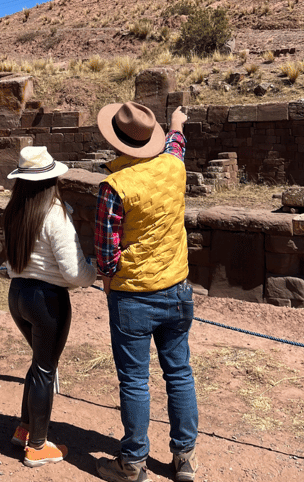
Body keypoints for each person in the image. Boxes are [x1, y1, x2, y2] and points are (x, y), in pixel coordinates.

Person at [94, 102, 198, 482]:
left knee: (135, 380)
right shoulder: (173, 167)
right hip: (176, 288)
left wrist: (108, 281)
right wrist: (176, 123)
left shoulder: (115, 186)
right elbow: (177, 144)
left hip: (133, 295)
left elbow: (106, 252)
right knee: (179, 373)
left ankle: (134, 462)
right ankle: (184, 456)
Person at [3, 146, 97, 468]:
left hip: (18, 294)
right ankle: (38, 446)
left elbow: (10, 263)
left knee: (39, 364)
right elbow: (73, 271)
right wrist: (93, 272)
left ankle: (25, 428)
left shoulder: (14, 209)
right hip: (47, 300)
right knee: (45, 369)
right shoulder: (55, 213)